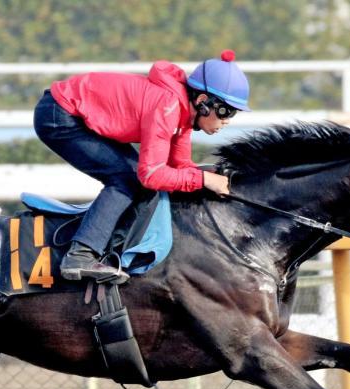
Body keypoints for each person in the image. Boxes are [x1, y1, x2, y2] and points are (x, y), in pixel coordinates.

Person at [33, 49, 250, 285]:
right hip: (59, 115)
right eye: (225, 111)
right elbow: (152, 175)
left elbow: (179, 165)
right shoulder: (168, 107)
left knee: (134, 176)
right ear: (202, 102)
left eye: (233, 113)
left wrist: (207, 175)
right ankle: (80, 255)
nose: (227, 121)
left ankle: (106, 249)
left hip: (75, 115)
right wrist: (204, 180)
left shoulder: (183, 115)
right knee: (127, 179)